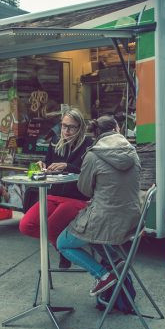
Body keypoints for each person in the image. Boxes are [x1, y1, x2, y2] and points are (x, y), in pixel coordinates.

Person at [57, 115, 141, 296]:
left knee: (63, 243)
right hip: (133, 219)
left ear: (96, 134)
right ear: (117, 129)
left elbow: (84, 190)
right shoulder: (133, 152)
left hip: (106, 220)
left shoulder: (93, 155)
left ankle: (103, 276)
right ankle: (116, 258)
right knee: (92, 233)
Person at [19, 108, 94, 267]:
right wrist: (42, 166)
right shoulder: (55, 142)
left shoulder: (89, 145)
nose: (66, 130)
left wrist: (68, 166)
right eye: (63, 126)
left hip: (77, 197)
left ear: (80, 127)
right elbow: (48, 164)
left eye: (71, 127)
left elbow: (89, 172)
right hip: (53, 194)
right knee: (26, 225)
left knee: (51, 226)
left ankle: (68, 251)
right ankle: (62, 249)